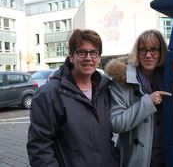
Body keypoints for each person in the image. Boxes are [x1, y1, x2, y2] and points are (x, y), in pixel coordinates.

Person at [27, 29, 119, 167]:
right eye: (82, 52)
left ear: (99, 58)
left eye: (94, 53)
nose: (88, 58)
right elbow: (40, 147)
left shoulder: (104, 90)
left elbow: (106, 138)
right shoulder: (49, 94)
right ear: (71, 56)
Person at [104, 29, 171, 167]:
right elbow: (116, 123)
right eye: (143, 50)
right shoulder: (122, 82)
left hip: (169, 158)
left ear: (161, 52)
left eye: (154, 50)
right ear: (137, 52)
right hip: (138, 161)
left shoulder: (170, 78)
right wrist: (147, 103)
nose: (148, 55)